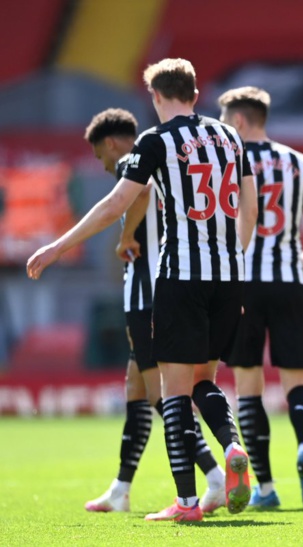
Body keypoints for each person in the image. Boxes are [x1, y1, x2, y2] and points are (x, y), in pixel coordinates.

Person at [27, 58, 258, 522]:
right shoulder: (230, 137)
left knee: (173, 392)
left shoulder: (155, 140)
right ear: (195, 93)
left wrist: (57, 245)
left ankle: (187, 503)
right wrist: (235, 258)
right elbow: (249, 208)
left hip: (180, 278)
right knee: (204, 381)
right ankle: (232, 445)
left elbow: (117, 203)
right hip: (228, 276)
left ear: (155, 97)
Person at [81, 108, 226, 514]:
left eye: (100, 156)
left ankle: (214, 475)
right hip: (165, 288)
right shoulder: (170, 159)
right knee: (137, 389)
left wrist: (125, 234)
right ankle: (121, 488)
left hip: (148, 294)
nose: (104, 164)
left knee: (163, 395)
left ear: (111, 143)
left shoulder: (134, 162)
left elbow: (141, 193)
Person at [217, 86, 303, 509]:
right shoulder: (298, 163)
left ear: (240, 121)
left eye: (225, 119)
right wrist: (298, 268)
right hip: (288, 281)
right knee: (297, 381)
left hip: (243, 283)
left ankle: (265, 488)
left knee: (248, 385)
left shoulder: (228, 161)